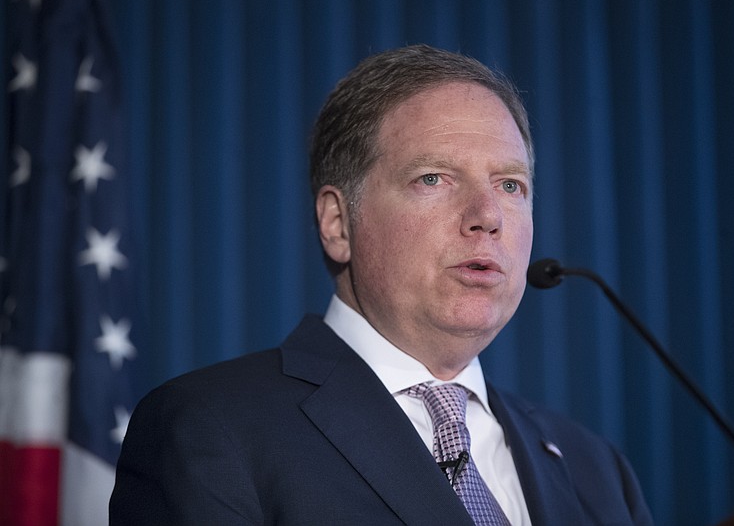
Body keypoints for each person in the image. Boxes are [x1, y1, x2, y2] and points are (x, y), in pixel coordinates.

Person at [110, 44, 653, 525]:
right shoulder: (209, 429)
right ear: (338, 224)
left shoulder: (597, 471)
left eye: (510, 184)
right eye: (433, 178)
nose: (487, 215)